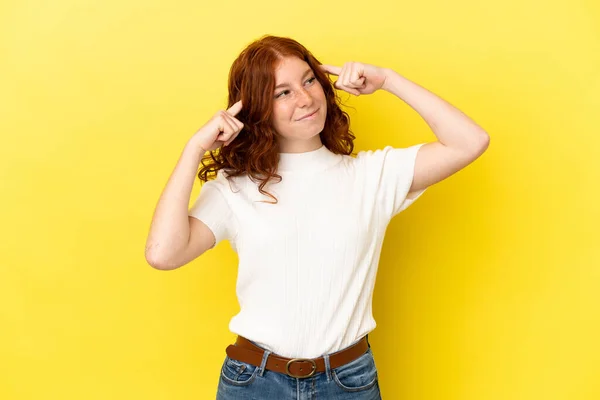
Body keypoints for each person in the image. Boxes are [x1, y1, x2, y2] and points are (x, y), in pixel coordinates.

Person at [145, 35, 490, 399]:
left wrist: (389, 80)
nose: (305, 98)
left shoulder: (371, 176)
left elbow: (470, 141)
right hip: (254, 382)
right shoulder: (234, 189)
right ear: (258, 108)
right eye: (283, 92)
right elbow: (162, 254)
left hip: (348, 382)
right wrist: (194, 149)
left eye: (309, 80)